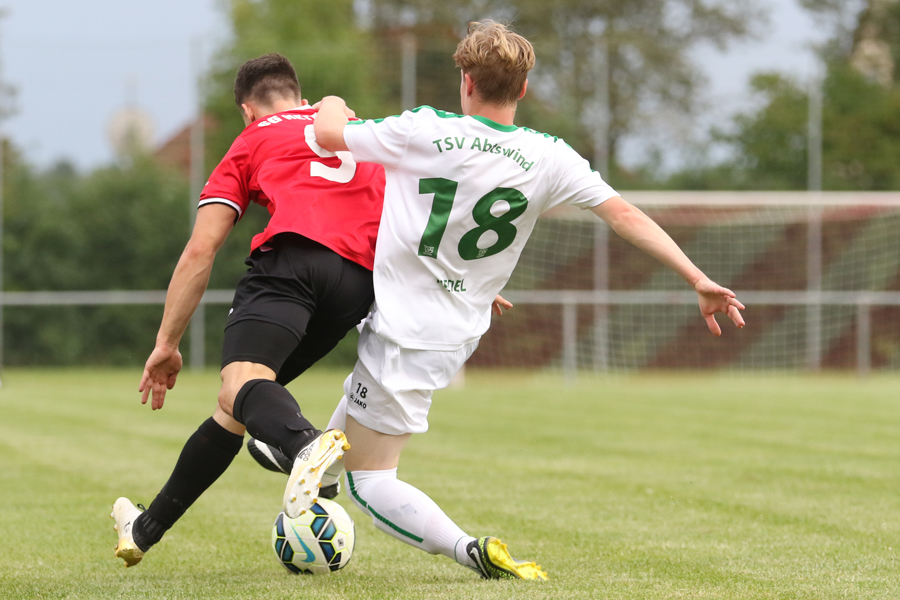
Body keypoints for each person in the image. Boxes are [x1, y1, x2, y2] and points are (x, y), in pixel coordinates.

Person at [309, 20, 746, 580]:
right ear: (523, 89)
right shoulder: (548, 155)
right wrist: (696, 277)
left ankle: (468, 548)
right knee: (357, 404)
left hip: (406, 334)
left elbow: (327, 134)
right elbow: (624, 215)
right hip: (458, 330)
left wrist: (331, 101)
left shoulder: (422, 129)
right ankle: (309, 472)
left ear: (467, 81)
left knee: (371, 481)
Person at [110, 53, 385, 567]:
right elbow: (414, 211)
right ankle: (144, 531)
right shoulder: (357, 130)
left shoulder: (253, 138)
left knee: (241, 386)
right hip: (358, 284)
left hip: (294, 263)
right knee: (239, 401)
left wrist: (166, 344)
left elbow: (201, 249)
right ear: (300, 98)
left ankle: (305, 444)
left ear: (247, 110)